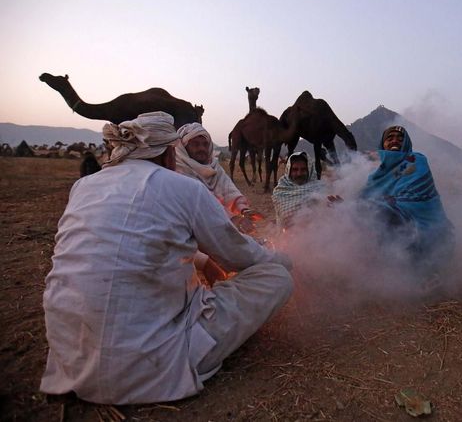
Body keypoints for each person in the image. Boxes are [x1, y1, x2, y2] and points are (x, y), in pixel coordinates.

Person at [41, 112, 293, 405]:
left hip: (71, 358)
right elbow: (238, 255)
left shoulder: (83, 187)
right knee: (277, 278)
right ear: (170, 152)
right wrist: (281, 259)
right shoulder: (184, 187)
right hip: (155, 364)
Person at [360, 125, 455, 278]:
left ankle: (425, 273)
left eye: (400, 138)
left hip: (432, 236)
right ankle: (378, 272)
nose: (395, 141)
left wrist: (386, 204)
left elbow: (417, 195)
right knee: (360, 214)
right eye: (389, 138)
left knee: (381, 213)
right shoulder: (375, 177)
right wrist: (344, 206)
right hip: (393, 230)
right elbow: (362, 203)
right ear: (382, 145)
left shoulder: (416, 160)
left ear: (407, 143)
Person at [175, 122, 262, 232]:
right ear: (184, 148)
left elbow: (229, 191)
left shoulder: (214, 168)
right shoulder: (178, 171)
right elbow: (204, 205)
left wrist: (243, 209)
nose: (201, 148)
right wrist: (234, 219)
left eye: (205, 144)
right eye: (196, 144)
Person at [272, 151, 338, 230]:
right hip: (290, 238)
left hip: (319, 236)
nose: (299, 174)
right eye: (295, 169)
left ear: (309, 170)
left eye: (303, 169)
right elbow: (285, 219)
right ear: (289, 170)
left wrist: (339, 208)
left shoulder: (321, 187)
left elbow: (329, 218)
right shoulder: (281, 190)